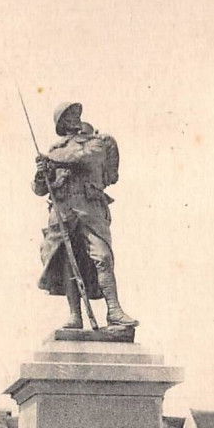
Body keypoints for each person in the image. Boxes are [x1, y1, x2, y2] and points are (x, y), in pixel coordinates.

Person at [32, 101, 138, 330]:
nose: (73, 118)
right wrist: (42, 173)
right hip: (64, 211)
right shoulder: (54, 151)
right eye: (67, 116)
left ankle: (114, 311)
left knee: (103, 257)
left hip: (90, 209)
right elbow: (40, 189)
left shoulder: (97, 142)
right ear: (61, 123)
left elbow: (87, 157)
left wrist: (52, 160)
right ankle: (74, 315)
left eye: (75, 113)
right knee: (70, 263)